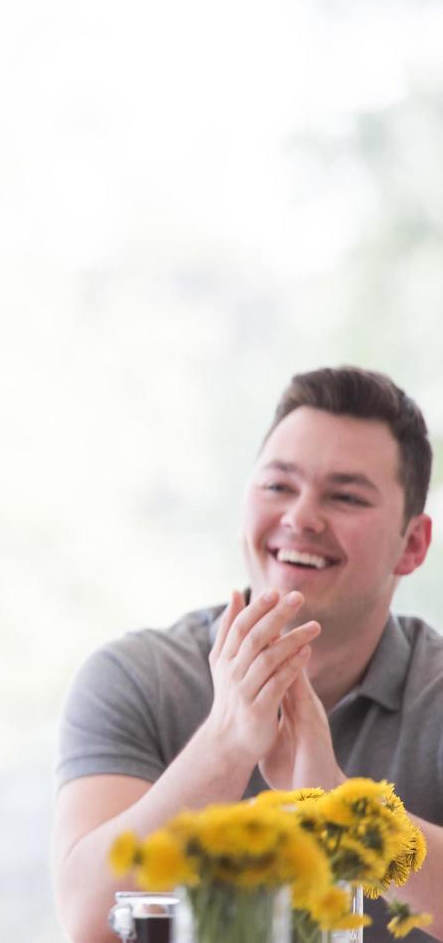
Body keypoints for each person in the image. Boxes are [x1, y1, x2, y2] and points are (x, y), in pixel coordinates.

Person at [53, 366, 443, 942]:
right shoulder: (135, 678)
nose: (301, 517)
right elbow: (89, 923)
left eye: (345, 496)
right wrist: (226, 745)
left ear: (411, 546)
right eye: (278, 486)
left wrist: (342, 808)